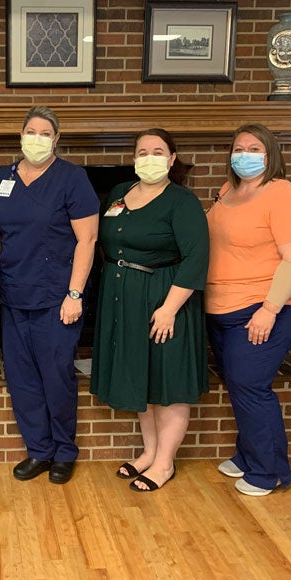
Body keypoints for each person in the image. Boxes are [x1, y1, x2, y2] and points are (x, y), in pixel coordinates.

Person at [90, 129, 209, 492]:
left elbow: (196, 257)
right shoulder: (120, 193)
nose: (149, 157)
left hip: (164, 298)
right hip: (123, 298)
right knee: (144, 376)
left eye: (158, 151)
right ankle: (149, 452)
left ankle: (165, 462)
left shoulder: (181, 201)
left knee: (167, 381)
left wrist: (170, 308)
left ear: (172, 159)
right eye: (142, 151)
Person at [0, 106, 99, 485]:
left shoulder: (72, 178)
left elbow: (87, 239)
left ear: (56, 139)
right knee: (22, 379)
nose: (36, 138)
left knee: (56, 377)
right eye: (30, 131)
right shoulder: (4, 178)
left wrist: (75, 293)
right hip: (13, 294)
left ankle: (64, 451)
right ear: (20, 135)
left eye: (45, 133)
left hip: (56, 296)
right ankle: (38, 449)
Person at [206, 124, 291, 496]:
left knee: (250, 385)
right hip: (221, 307)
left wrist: (269, 310)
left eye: (255, 148)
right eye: (239, 148)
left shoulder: (282, 194)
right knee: (238, 384)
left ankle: (270, 472)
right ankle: (249, 454)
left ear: (271, 155)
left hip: (266, 307)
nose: (245, 155)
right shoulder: (227, 192)